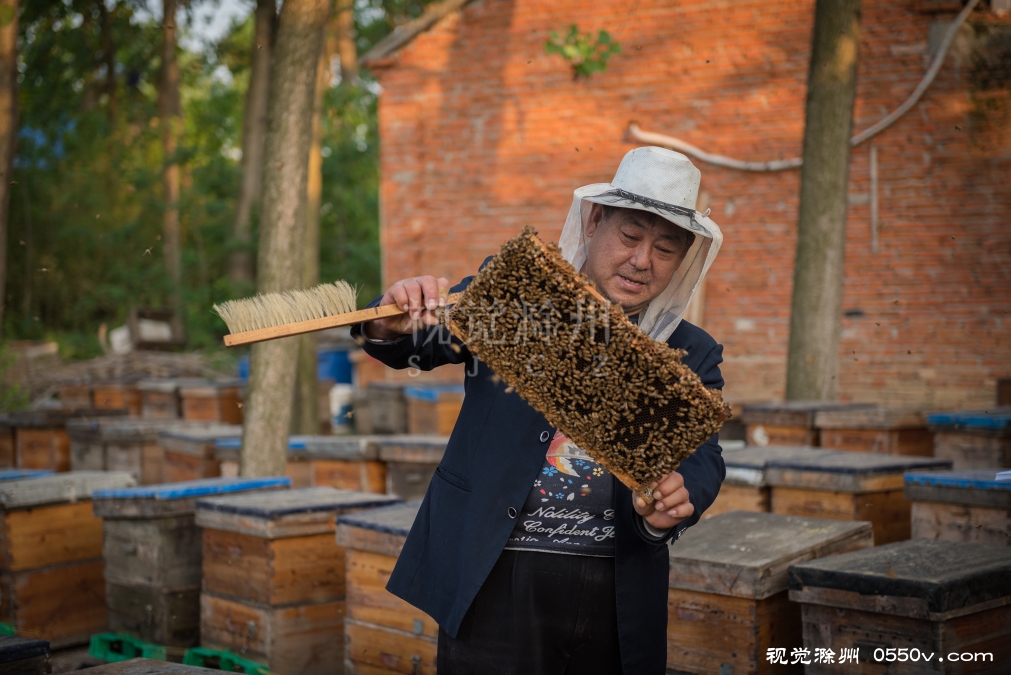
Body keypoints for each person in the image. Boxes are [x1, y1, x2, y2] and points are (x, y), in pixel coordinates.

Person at [351, 147, 726, 674]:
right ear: (595, 221)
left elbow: (703, 456)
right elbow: (424, 340)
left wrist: (679, 495)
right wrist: (391, 321)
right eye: (630, 236)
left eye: (665, 248)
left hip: (614, 592)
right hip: (493, 574)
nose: (643, 261)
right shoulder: (519, 295)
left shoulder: (692, 351)